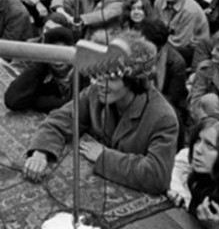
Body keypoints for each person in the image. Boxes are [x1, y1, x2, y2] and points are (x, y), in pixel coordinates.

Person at [22, 30, 180, 194]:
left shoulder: (163, 117)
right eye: (99, 76)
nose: (101, 84)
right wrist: (40, 152)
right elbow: (59, 120)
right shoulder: (95, 92)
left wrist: (104, 157)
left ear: (133, 81)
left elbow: (157, 176)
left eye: (111, 79)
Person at [4, 13, 82, 113]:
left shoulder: (82, 72)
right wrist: (41, 62)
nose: (57, 59)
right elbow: (12, 100)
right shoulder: (42, 67)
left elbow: (78, 108)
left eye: (62, 53)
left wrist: (40, 102)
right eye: (53, 53)